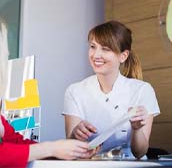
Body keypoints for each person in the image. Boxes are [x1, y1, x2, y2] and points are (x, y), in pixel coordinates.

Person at [0, 19, 97, 168]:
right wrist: (52, 148)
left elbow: (17, 143)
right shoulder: (74, 91)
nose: (8, 53)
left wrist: (66, 150)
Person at [63, 20, 160, 159]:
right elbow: (71, 149)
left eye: (105, 49)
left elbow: (140, 152)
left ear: (123, 56)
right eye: (93, 46)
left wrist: (136, 129)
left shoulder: (142, 90)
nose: (96, 55)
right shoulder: (74, 91)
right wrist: (75, 134)